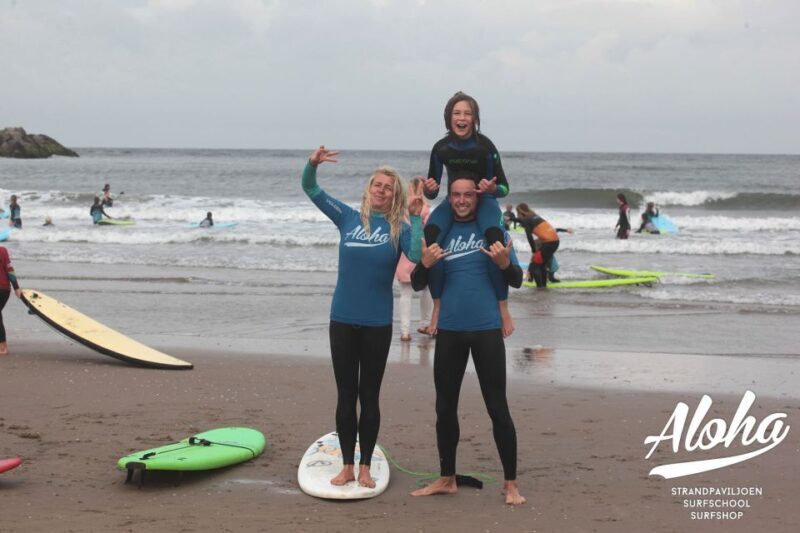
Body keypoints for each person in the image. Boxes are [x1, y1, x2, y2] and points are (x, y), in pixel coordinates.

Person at [302, 145, 422, 488]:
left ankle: (366, 465)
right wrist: (312, 164)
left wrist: (415, 216)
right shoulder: (347, 218)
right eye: (377, 184)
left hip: (376, 324)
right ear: (369, 188)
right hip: (342, 319)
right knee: (345, 394)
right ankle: (346, 466)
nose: (381, 189)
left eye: (388, 186)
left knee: (369, 396)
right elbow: (312, 189)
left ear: (395, 193)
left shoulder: (399, 227)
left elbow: (416, 255)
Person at [409, 176, 526, 505]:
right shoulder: (442, 233)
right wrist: (426, 262)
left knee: (497, 408)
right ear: (450, 198)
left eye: (467, 195)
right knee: (444, 408)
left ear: (477, 198)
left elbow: (516, 279)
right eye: (456, 195)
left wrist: (504, 263)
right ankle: (447, 479)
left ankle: (511, 485)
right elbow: (418, 282)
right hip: (450, 331)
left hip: (487, 330)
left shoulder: (494, 232)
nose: (461, 200)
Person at [422, 91, 509, 249]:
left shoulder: (486, 147)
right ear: (449, 118)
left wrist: (492, 189)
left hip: (485, 201)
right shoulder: (441, 148)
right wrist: (428, 189)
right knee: (429, 236)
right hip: (455, 200)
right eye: (457, 113)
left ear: (475, 119)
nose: (462, 118)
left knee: (496, 241)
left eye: (467, 114)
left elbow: (504, 188)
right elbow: (432, 193)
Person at [395, 178, 433, 341]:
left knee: (405, 293)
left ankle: (404, 332)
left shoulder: (401, 209)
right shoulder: (427, 210)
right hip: (421, 252)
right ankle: (425, 323)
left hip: (404, 253)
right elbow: (430, 233)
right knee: (427, 290)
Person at [515, 203, 571, 288]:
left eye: (517, 213)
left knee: (535, 265)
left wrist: (534, 250)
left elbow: (529, 236)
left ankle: (540, 288)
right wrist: (512, 219)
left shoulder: (527, 220)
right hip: (555, 242)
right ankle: (543, 287)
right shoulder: (535, 216)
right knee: (541, 265)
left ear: (521, 213)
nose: (517, 215)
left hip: (548, 243)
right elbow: (521, 220)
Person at [0, 246, 22, 356]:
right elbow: (10, 269)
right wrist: (16, 287)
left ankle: (3, 347)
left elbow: (9, 269)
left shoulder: (2, 250)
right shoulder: (2, 250)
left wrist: (17, 287)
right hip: (5, 289)